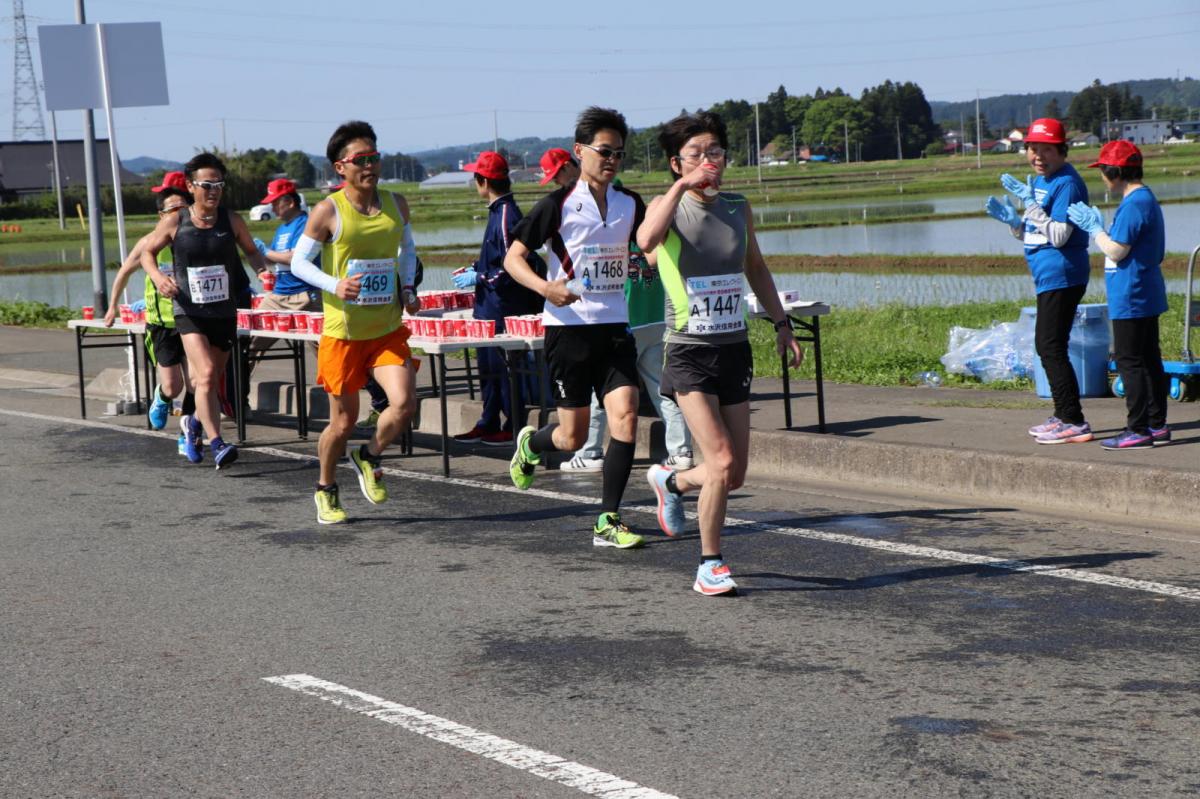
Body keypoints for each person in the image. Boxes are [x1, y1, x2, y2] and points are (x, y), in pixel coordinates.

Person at [637, 111, 803, 596]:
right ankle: (710, 564)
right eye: (696, 155)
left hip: (733, 348)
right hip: (687, 351)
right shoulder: (668, 207)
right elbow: (646, 242)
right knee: (723, 459)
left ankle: (672, 483)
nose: (709, 162)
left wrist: (781, 323)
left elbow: (755, 266)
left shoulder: (737, 206)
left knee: (732, 474)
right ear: (676, 162)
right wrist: (679, 187)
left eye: (716, 153)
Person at [504, 106, 647, 549]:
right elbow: (512, 259)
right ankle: (532, 444)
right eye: (604, 151)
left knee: (625, 416)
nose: (612, 160)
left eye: (619, 153)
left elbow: (647, 247)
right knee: (573, 437)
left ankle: (609, 519)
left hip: (615, 326)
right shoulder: (558, 204)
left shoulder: (630, 203)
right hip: (568, 330)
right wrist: (546, 288)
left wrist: (646, 262)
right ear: (580, 151)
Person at [289, 120, 421, 524]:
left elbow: (408, 249)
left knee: (403, 405)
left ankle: (370, 455)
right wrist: (335, 284)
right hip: (343, 333)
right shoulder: (328, 211)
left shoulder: (396, 204)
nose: (370, 166)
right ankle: (326, 488)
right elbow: (298, 262)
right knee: (343, 422)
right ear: (339, 168)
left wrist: (409, 287)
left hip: (384, 327)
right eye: (360, 160)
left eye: (374, 157)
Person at [140, 154, 270, 468]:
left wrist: (263, 273)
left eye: (219, 185)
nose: (214, 191)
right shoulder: (176, 220)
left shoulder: (232, 220)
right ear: (191, 186)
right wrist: (159, 278)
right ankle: (218, 442)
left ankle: (192, 423)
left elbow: (252, 252)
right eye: (207, 185)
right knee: (206, 375)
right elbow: (147, 252)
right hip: (188, 311)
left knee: (213, 379)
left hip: (224, 312)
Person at [985, 118, 1092, 445]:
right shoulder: (1044, 180)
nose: (1038, 156)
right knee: (1049, 345)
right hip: (1049, 275)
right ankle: (1063, 415)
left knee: (1049, 346)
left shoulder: (1066, 184)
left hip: (1063, 274)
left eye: (1047, 149)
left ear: (1062, 151)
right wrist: (1016, 225)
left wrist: (1030, 205)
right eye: (1033, 148)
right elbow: (1037, 233)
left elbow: (1059, 235)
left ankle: (1073, 419)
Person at [1067, 141, 1170, 450]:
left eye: (1102, 170)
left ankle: (1137, 429)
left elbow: (1116, 249)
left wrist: (1095, 229)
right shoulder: (1143, 199)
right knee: (1149, 359)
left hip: (1132, 293)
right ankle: (1157, 424)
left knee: (1130, 362)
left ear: (1115, 171)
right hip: (1143, 290)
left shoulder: (1135, 203)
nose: (1101, 177)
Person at [560, 246, 694, 472]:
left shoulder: (615, 236)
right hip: (658, 317)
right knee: (664, 390)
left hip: (625, 322)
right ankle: (681, 451)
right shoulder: (653, 235)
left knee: (603, 386)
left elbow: (593, 278)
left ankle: (589, 452)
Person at [450, 151, 540, 445]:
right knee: (488, 368)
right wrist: (477, 268)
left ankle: (512, 423)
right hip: (487, 307)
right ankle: (488, 420)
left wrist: (480, 277)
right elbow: (495, 260)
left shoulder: (506, 214)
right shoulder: (497, 212)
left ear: (483, 181)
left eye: (475, 177)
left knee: (505, 369)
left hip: (502, 306)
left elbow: (512, 265)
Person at [105, 172, 196, 446]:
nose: (178, 214)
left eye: (183, 208)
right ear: (161, 215)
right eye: (172, 209)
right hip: (162, 325)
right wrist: (111, 308)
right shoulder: (149, 243)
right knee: (173, 386)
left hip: (192, 321)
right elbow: (123, 273)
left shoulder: (196, 240)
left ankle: (188, 433)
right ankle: (162, 396)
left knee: (196, 383)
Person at [250, 178, 323, 353]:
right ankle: (238, 380)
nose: (272, 208)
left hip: (305, 295)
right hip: (279, 294)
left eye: (275, 202)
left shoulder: (306, 224)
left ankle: (337, 380)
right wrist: (258, 255)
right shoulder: (281, 229)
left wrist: (265, 251)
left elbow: (294, 259)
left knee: (323, 349)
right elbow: (272, 259)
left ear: (290, 202)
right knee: (250, 342)